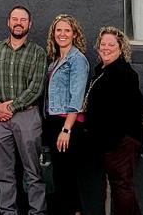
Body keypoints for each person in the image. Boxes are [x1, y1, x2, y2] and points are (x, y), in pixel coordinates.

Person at [0, 5, 47, 215]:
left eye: (23, 19)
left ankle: (37, 211)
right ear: (8, 22)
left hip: (27, 116)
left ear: (30, 24)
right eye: (14, 19)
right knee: (3, 171)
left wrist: (10, 107)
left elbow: (36, 87)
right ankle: (7, 211)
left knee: (33, 170)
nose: (18, 23)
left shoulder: (38, 53)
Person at [84, 26, 143, 215]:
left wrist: (111, 139)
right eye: (103, 44)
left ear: (121, 48)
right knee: (120, 185)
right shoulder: (104, 71)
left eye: (111, 44)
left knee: (122, 185)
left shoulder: (124, 74)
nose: (106, 48)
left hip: (120, 142)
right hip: (111, 142)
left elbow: (128, 110)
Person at [43, 14, 89, 215]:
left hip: (67, 124)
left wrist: (66, 129)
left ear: (74, 34)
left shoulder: (77, 60)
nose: (62, 34)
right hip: (54, 122)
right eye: (58, 30)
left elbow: (77, 98)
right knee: (60, 176)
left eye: (67, 30)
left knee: (66, 176)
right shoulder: (56, 60)